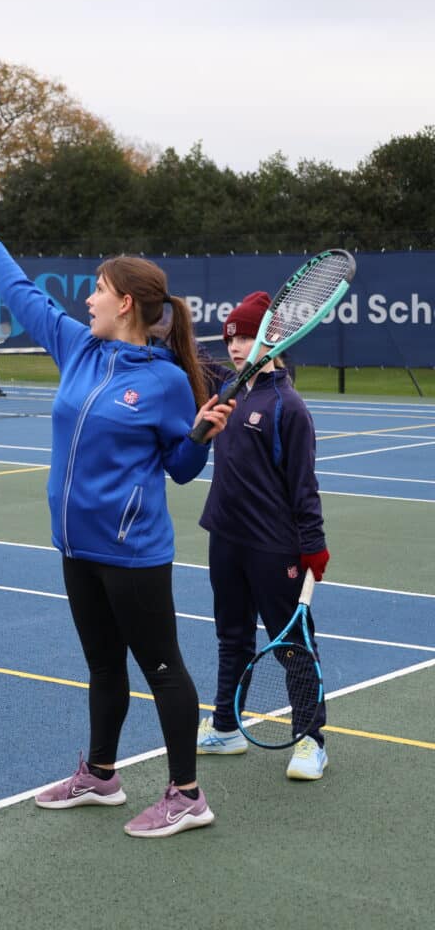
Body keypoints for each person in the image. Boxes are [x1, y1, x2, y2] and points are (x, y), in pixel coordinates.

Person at [0, 193, 233, 838]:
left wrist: (198, 437)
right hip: (75, 545)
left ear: (126, 303)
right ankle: (102, 776)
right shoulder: (78, 348)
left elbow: (180, 470)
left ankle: (187, 795)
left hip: (133, 550)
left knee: (161, 667)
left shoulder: (165, 380)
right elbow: (23, 293)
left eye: (99, 290)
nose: (88, 300)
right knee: (104, 667)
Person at [196, 291, 330, 780]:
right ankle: (226, 727)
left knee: (292, 644)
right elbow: (185, 355)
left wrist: (313, 545)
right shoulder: (229, 390)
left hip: (274, 547)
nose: (237, 346)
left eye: (249, 336)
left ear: (274, 338)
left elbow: (303, 486)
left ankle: (311, 739)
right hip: (224, 539)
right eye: (232, 337)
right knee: (232, 637)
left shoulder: (287, 406)